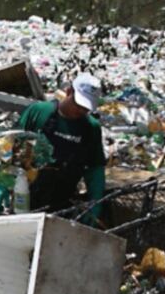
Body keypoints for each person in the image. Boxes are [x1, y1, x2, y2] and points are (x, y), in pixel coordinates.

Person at [16, 73, 106, 220]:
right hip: (24, 194)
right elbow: (11, 145)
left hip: (61, 203)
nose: (81, 111)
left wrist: (95, 205)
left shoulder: (91, 128)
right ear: (69, 92)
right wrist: (2, 188)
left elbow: (94, 168)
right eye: (79, 104)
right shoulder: (39, 112)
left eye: (86, 108)